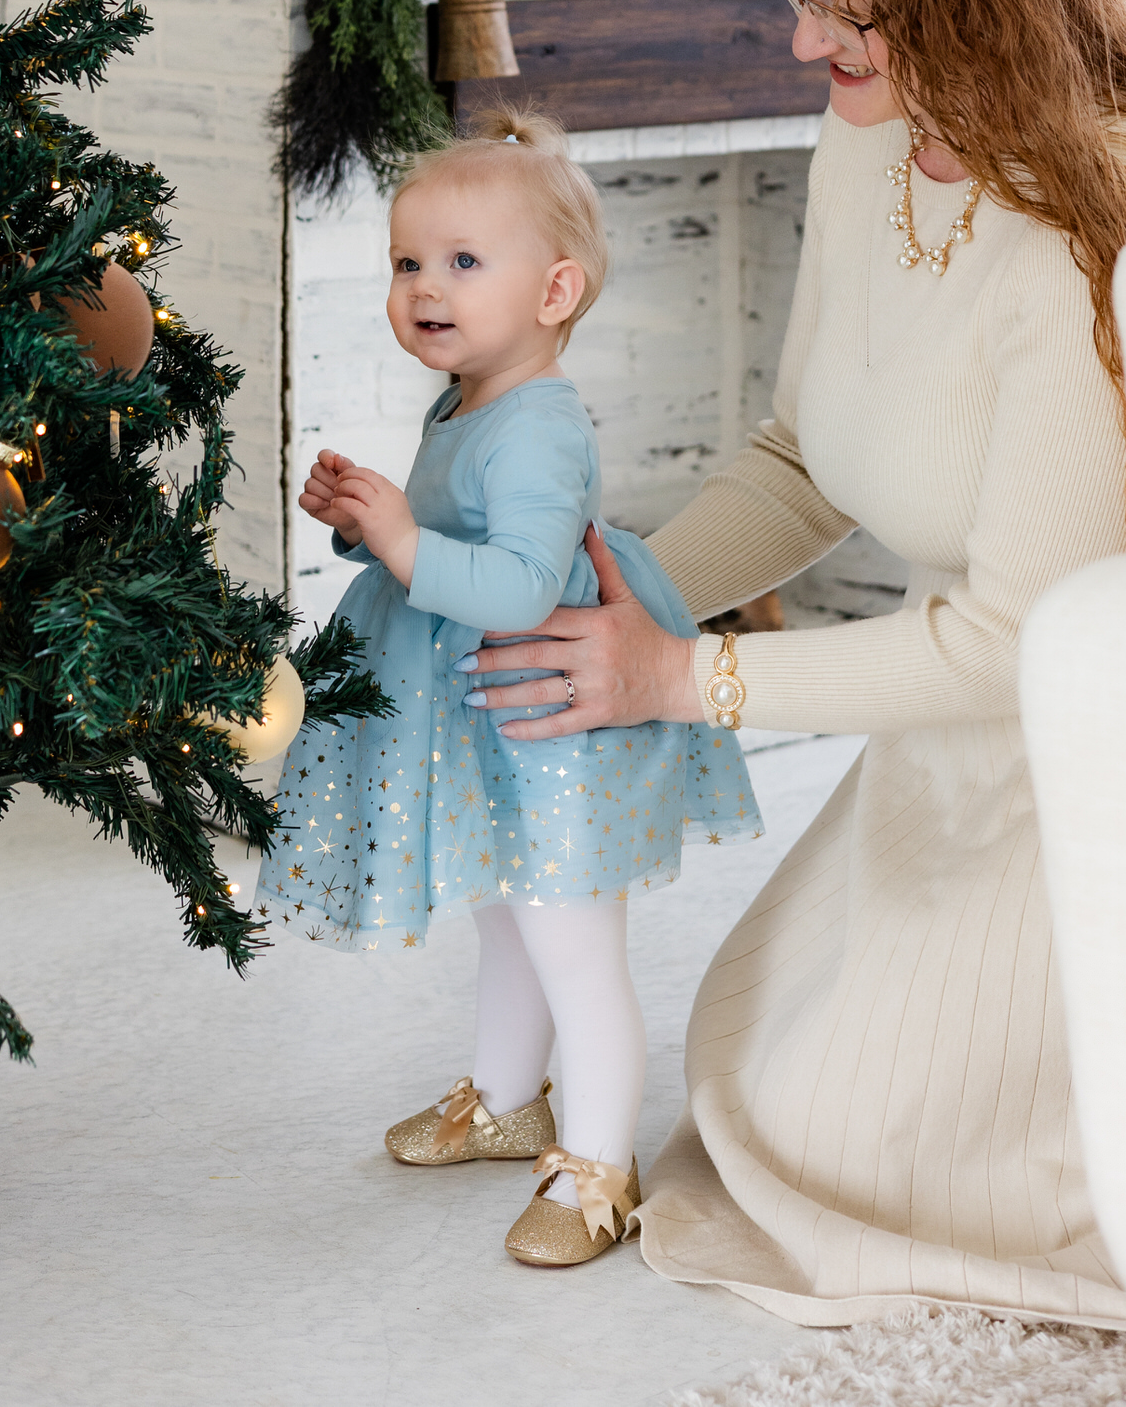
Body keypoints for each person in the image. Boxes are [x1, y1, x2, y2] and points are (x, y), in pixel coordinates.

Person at [459, 0, 1126, 1328]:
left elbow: (1015, 639)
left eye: (848, 2)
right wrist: (625, 594)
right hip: (954, 740)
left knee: (854, 1148)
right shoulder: (874, 137)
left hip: (1106, 764)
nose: (801, 35)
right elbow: (804, 455)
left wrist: (680, 683)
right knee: (748, 1071)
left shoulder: (1098, 231)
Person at [268, 109, 760, 1270]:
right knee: (504, 913)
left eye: (459, 262)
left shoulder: (536, 427)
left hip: (548, 716)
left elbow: (519, 585)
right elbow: (442, 539)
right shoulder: (467, 398)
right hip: (485, 722)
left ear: (553, 292)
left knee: (569, 944)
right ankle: (502, 1097)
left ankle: (598, 1163)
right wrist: (369, 527)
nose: (421, 286)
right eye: (405, 261)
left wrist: (396, 532)